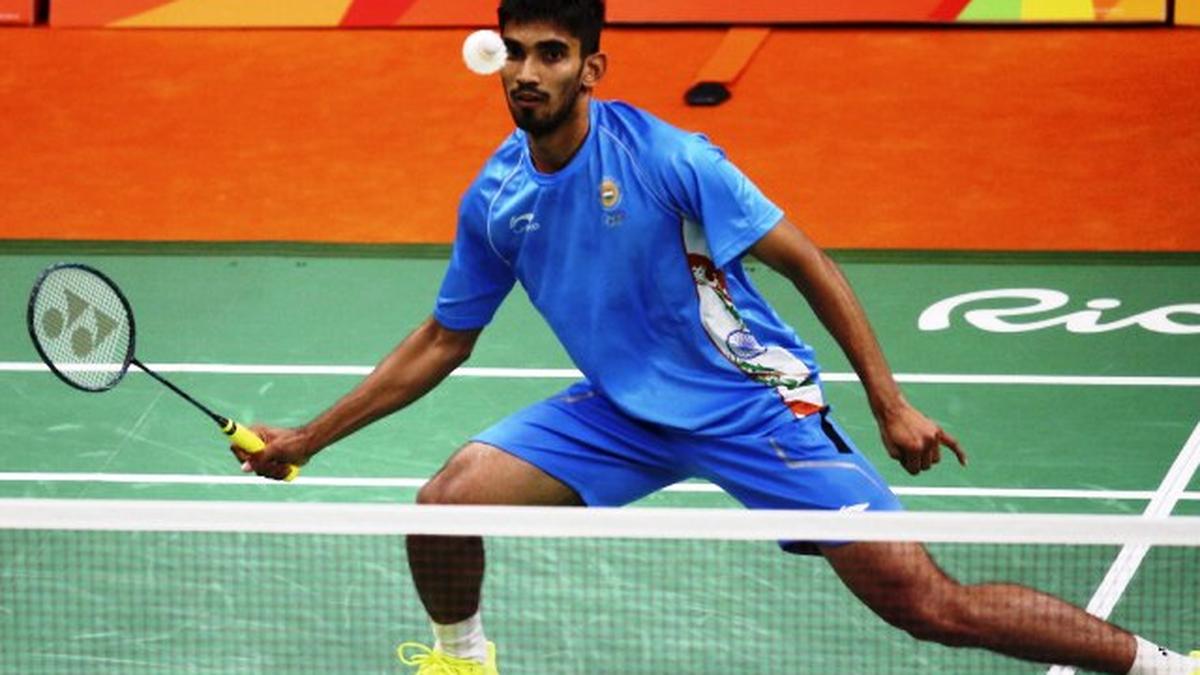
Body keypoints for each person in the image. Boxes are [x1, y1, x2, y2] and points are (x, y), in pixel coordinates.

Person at [235, 1, 1199, 673]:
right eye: (515, 52)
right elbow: (445, 338)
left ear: (590, 68)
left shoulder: (671, 157)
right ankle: (464, 661)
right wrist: (308, 438)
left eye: (551, 54)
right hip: (621, 410)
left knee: (930, 606)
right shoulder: (497, 195)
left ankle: (1162, 664)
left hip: (751, 406)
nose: (527, 72)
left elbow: (808, 260)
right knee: (443, 506)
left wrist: (889, 400)